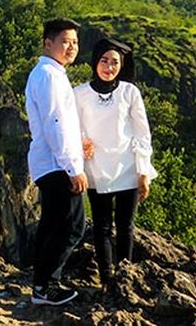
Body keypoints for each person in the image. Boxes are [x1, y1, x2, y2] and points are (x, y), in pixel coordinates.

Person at [73, 37, 157, 291]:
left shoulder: (130, 92)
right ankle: (107, 276)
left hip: (128, 167)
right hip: (96, 167)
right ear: (95, 62)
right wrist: (80, 143)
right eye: (104, 60)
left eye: (115, 62)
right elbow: (71, 126)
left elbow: (143, 133)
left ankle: (125, 273)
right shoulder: (79, 93)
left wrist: (143, 171)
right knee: (101, 225)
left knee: (125, 225)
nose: (109, 67)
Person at [25, 18, 87, 306]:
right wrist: (73, 168)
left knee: (51, 225)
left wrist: (78, 146)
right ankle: (47, 286)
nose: (71, 47)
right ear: (47, 43)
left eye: (74, 42)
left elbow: (59, 124)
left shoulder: (50, 73)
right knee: (71, 225)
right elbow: (55, 123)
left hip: (49, 162)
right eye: (65, 41)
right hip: (56, 165)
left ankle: (41, 285)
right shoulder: (49, 75)